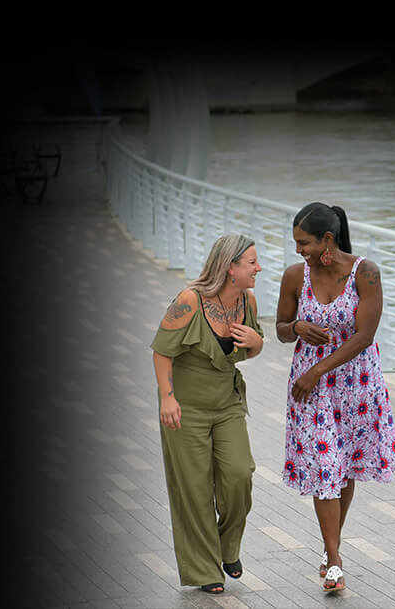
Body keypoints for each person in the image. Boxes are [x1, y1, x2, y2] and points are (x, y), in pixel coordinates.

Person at [276, 203, 395, 592]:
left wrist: (317, 369)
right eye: (296, 242)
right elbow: (280, 329)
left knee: (342, 467)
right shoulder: (295, 276)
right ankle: (334, 560)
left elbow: (365, 337)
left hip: (356, 385)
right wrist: (297, 325)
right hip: (310, 391)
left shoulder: (365, 273)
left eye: (304, 242)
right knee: (323, 468)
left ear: (327, 240)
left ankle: (332, 547)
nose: (298, 249)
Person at [150, 233, 264, 594]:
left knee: (239, 474)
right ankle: (204, 571)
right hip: (185, 408)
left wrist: (258, 344)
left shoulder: (248, 300)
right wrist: (167, 398)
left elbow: (252, 346)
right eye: (251, 263)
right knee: (194, 489)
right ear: (230, 268)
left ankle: (226, 546)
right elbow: (161, 352)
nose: (258, 268)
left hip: (227, 403)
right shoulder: (189, 301)